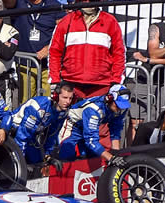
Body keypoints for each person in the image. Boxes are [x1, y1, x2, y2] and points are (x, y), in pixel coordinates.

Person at [48, 0, 125, 150]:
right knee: (69, 131)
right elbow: (54, 52)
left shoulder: (110, 22)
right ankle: (69, 168)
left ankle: (102, 169)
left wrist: (116, 83)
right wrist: (55, 81)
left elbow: (119, 54)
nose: (88, 2)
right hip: (72, 87)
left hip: (101, 87)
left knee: (100, 130)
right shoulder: (66, 22)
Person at [0, 81, 75, 166]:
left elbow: (52, 135)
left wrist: (48, 156)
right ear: (55, 96)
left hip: (31, 136)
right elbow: (22, 136)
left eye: (70, 98)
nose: (68, 101)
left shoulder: (63, 112)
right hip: (14, 131)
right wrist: (20, 163)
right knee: (17, 164)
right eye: (64, 97)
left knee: (38, 161)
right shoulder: (38, 107)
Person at [4, 0, 66, 103]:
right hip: (25, 64)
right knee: (26, 103)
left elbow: (63, 32)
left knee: (48, 102)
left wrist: (49, 47)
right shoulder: (19, 3)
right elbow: (7, 3)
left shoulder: (54, 5)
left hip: (47, 66)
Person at [57, 84, 130, 162]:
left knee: (94, 158)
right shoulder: (94, 109)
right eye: (118, 105)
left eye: (123, 105)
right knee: (66, 157)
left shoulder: (121, 108)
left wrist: (116, 154)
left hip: (87, 128)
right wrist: (111, 158)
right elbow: (91, 140)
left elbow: (116, 129)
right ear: (109, 98)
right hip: (71, 127)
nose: (120, 108)